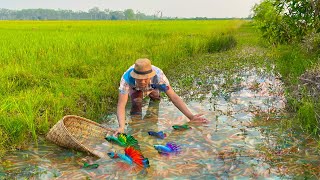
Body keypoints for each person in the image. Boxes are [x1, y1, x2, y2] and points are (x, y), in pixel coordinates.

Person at [114, 58, 208, 135]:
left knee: (155, 97)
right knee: (136, 105)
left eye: (145, 79)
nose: (142, 82)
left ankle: (153, 110)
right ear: (134, 77)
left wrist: (191, 117)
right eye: (139, 79)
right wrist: (121, 127)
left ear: (150, 76)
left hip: (153, 85)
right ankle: (136, 128)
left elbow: (174, 97)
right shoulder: (126, 80)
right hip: (135, 88)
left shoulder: (159, 76)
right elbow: (121, 105)